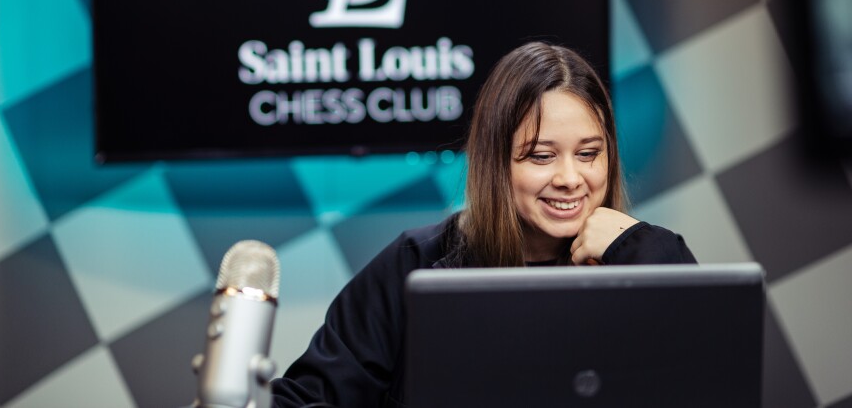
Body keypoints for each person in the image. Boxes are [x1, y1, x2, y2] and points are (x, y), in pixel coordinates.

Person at [271, 42, 696, 408]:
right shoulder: (412, 266)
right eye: (541, 156)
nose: (570, 178)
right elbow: (304, 398)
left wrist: (642, 250)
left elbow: (711, 378)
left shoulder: (646, 259)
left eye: (588, 154)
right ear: (496, 164)